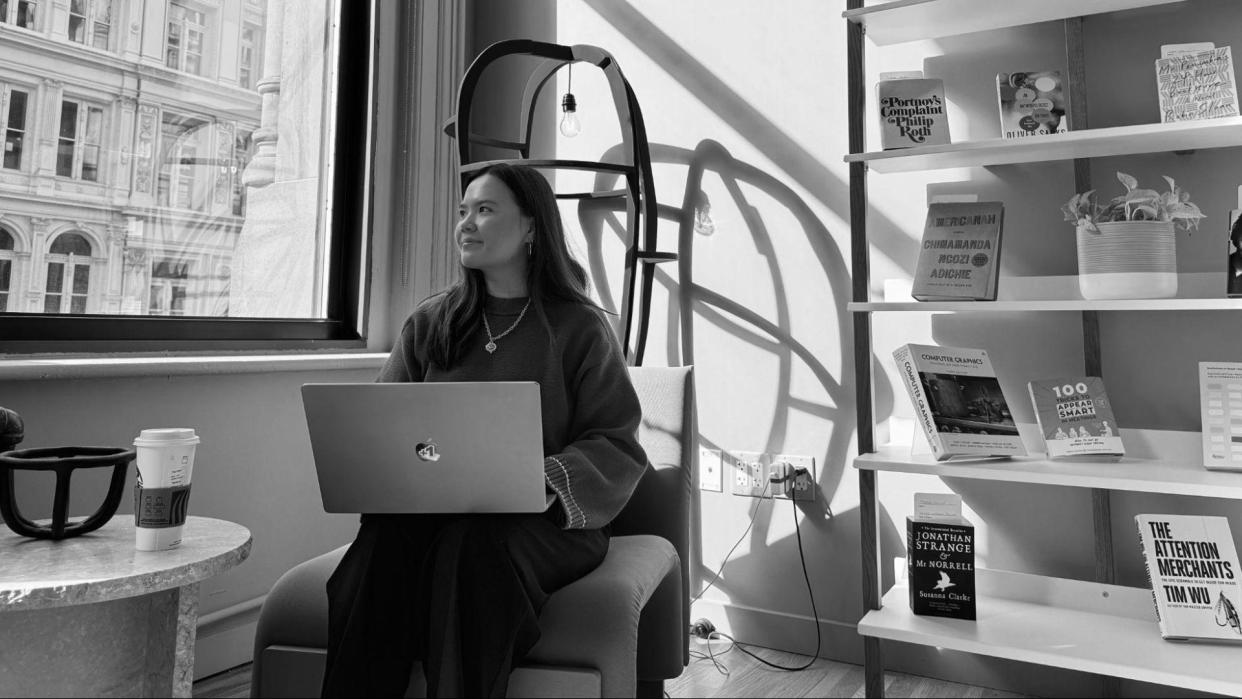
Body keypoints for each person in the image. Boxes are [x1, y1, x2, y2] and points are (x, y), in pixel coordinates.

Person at [321, 163, 648, 697]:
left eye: (485, 210)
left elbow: (616, 441)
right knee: (382, 541)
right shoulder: (432, 322)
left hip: (546, 526)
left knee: (472, 547)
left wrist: (541, 478)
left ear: (530, 229)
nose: (466, 224)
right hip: (437, 510)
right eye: (463, 211)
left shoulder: (580, 327)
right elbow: (382, 427)